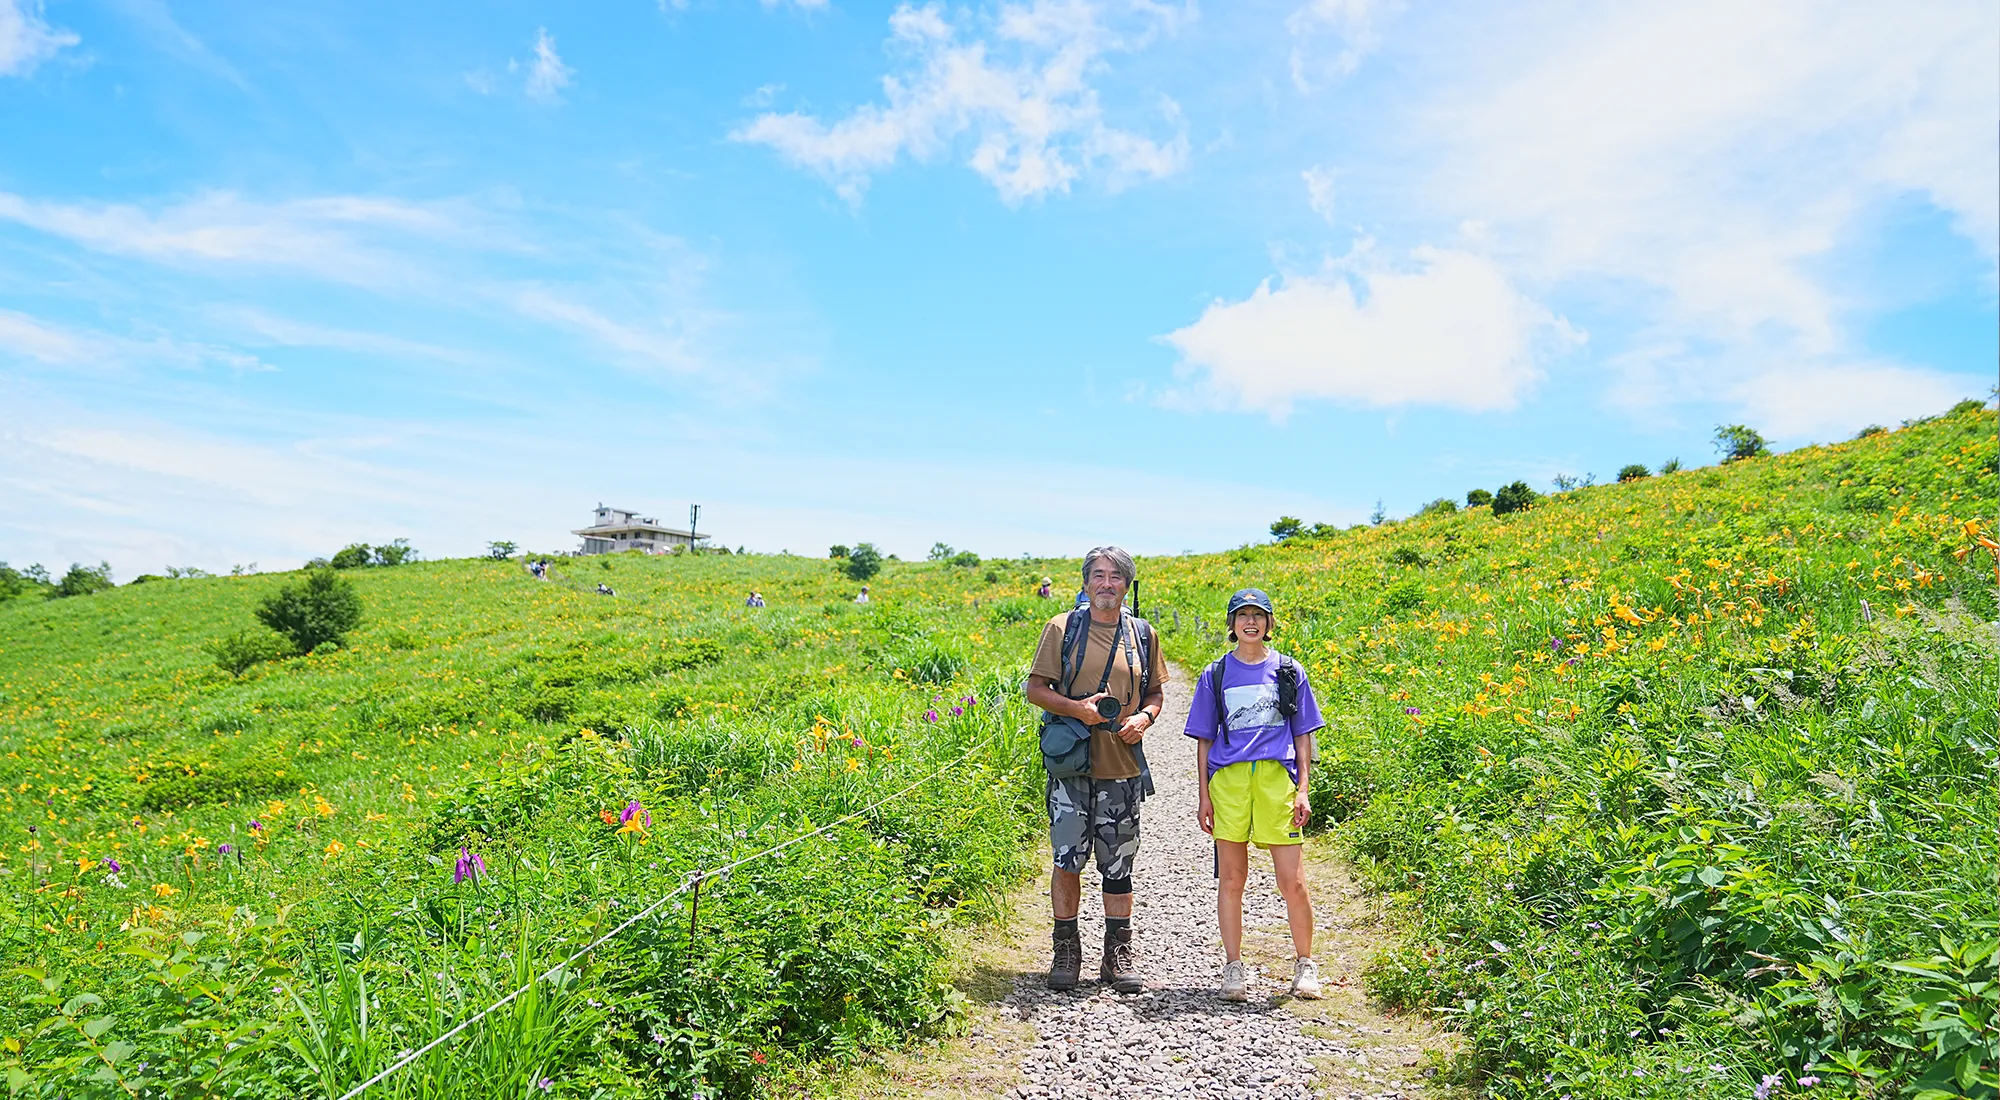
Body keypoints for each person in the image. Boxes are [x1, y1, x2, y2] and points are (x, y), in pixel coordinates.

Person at [1024, 546, 1168, 993]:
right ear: (1086, 582)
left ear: (1127, 584)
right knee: (1068, 861)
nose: (1107, 584)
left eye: (1116, 577)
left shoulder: (1143, 634)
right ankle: (1065, 950)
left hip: (1122, 768)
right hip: (1071, 767)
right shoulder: (1062, 628)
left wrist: (1144, 718)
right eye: (1099, 576)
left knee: (1119, 866)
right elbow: (1035, 689)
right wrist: (1078, 710)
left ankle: (1117, 954)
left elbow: (1156, 695)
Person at [1186, 588, 1326, 1002]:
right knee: (1231, 879)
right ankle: (1233, 968)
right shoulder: (1215, 674)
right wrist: (1203, 797)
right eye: (1242, 614)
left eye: (1258, 615)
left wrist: (1302, 789)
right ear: (1231, 624)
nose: (1251, 622)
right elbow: (1204, 741)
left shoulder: (1288, 670)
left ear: (1268, 623)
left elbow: (1303, 734)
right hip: (1228, 783)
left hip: (1275, 781)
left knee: (1293, 881)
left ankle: (1305, 965)